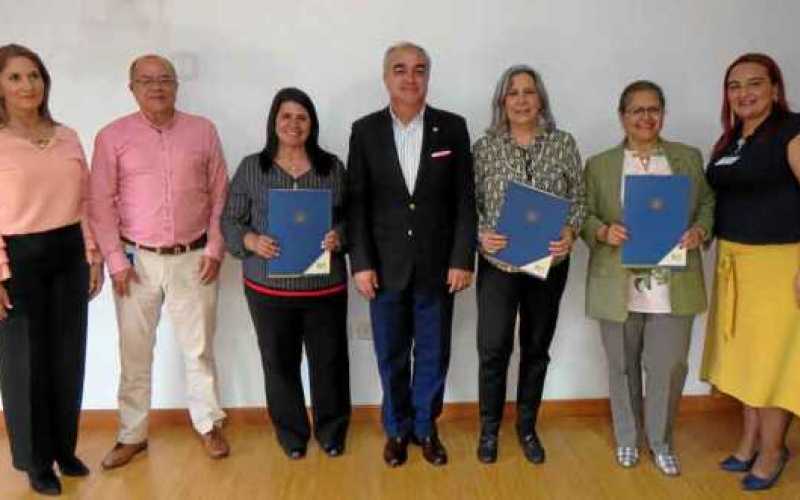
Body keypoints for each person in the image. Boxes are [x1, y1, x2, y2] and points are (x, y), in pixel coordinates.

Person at [89, 54, 230, 469]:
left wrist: (216, 248)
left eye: (165, 79)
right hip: (136, 263)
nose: (157, 87)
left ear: (176, 86)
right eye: (146, 80)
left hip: (195, 257)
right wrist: (115, 260)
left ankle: (208, 423)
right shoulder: (112, 136)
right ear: (131, 87)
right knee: (135, 351)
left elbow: (220, 193)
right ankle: (132, 434)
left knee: (199, 349)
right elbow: (100, 202)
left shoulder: (203, 131)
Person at [347, 42, 476, 467]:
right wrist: (360, 263)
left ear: (428, 77)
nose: (410, 78)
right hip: (383, 269)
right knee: (391, 354)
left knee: (434, 353)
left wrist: (462, 258)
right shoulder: (364, 131)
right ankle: (397, 429)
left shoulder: (452, 128)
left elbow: (464, 200)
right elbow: (357, 204)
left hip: (439, 268)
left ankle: (426, 428)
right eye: (400, 69)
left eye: (419, 70)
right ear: (386, 77)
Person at [580, 80, 714, 476]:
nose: (646, 117)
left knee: (668, 367)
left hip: (674, 284)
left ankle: (660, 441)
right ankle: (626, 438)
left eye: (653, 109)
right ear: (622, 116)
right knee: (621, 365)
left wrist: (700, 232)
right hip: (616, 284)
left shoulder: (687, 157)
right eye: (636, 110)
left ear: (663, 114)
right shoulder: (600, 164)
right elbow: (583, 213)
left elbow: (707, 202)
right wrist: (603, 231)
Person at [221, 87, 350, 459]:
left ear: (312, 124)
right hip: (268, 289)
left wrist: (337, 235)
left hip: (323, 288)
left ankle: (332, 431)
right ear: (274, 122)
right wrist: (250, 240)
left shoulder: (331, 167)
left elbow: (351, 217)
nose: (294, 124)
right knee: (279, 363)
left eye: (302, 117)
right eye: (286, 116)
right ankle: (292, 434)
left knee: (329, 362)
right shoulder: (252, 168)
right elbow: (229, 220)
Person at [0, 43, 103, 496]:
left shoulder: (67, 136)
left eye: (35, 76)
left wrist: (93, 254)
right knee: (26, 364)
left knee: (66, 356)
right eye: (16, 77)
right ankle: (35, 460)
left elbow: (87, 203)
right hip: (16, 258)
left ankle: (64, 448)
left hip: (68, 253)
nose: (28, 86)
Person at [472, 65, 585, 464]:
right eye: (513, 93)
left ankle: (526, 427)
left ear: (541, 100)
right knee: (493, 349)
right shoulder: (484, 147)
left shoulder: (564, 143)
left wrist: (571, 231)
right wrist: (481, 233)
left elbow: (580, 199)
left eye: (529, 92)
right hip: (498, 266)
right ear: (501, 102)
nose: (521, 100)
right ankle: (488, 430)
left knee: (536, 349)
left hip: (548, 267)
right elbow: (469, 205)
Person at [701, 53, 800, 491]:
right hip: (733, 262)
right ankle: (748, 440)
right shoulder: (729, 141)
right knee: (742, 362)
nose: (744, 93)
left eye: (754, 83)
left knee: (771, 365)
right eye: (734, 85)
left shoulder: (792, 131)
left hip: (779, 265)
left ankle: (774, 451)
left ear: (775, 89)